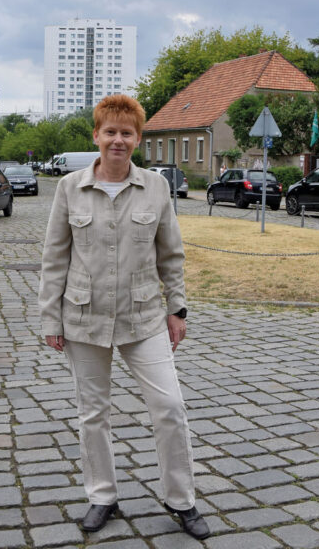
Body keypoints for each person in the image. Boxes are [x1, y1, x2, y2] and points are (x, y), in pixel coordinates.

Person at [38, 95, 209, 540]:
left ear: (138, 139)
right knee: (93, 413)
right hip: (83, 317)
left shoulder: (155, 186)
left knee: (169, 407)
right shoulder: (69, 188)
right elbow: (55, 257)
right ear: (96, 136)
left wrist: (177, 309)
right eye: (110, 131)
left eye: (126, 133)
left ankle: (181, 500)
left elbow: (170, 254)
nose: (118, 140)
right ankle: (102, 496)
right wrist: (50, 320)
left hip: (143, 316)